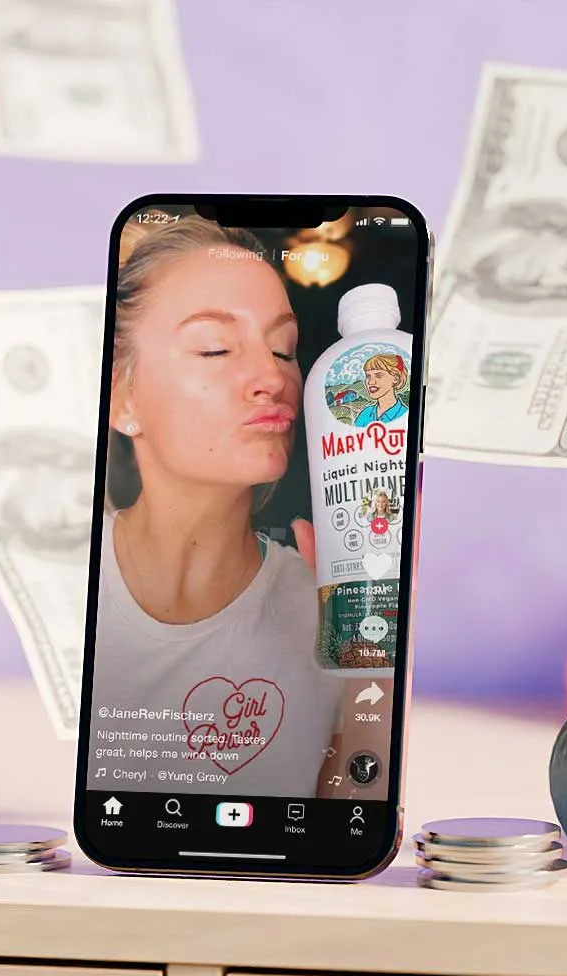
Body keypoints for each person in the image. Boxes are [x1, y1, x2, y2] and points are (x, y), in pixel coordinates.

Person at [92, 216, 355, 799]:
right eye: (215, 347)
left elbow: (346, 826)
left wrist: (377, 662)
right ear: (121, 397)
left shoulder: (331, 610)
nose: (273, 377)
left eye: (284, 349)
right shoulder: (65, 584)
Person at [353, 352, 409, 427]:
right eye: (368, 376)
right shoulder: (365, 414)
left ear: (395, 378)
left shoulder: (404, 414)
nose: (370, 382)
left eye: (378, 375)